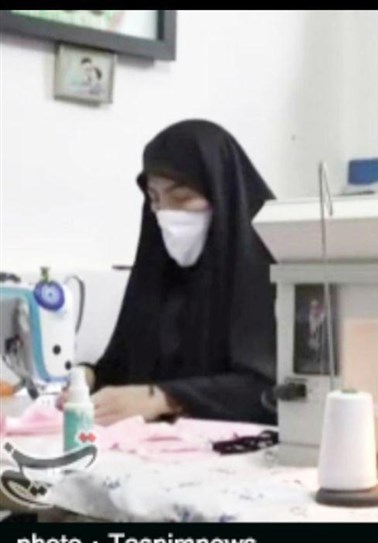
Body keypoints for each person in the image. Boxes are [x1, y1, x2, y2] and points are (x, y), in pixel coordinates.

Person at [75, 120, 278, 426]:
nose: (166, 214)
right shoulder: (160, 276)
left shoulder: (271, 275)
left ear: (223, 194)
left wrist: (163, 398)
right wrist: (87, 377)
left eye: (181, 197)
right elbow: (124, 368)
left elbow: (272, 391)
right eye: (155, 199)